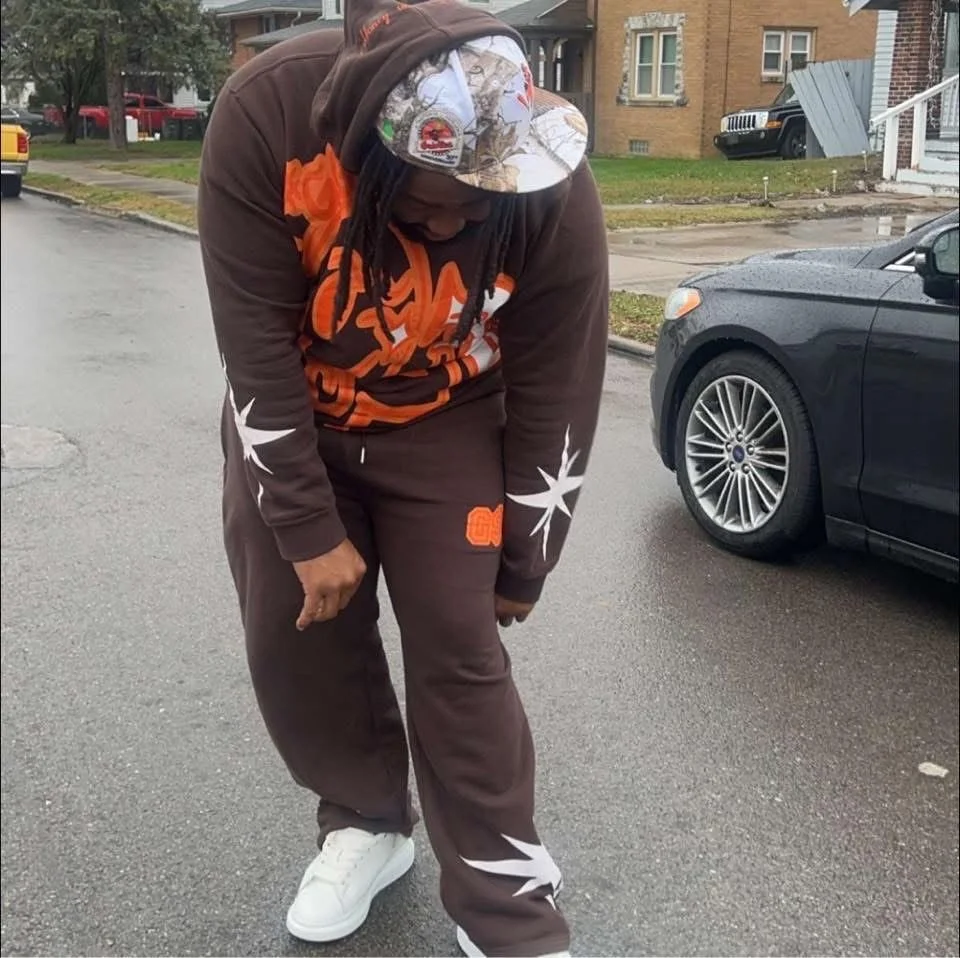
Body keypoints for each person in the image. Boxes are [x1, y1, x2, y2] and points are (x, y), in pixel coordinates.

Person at [197, 0, 608, 954]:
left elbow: (560, 377)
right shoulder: (267, 113)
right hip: (294, 407)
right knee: (297, 635)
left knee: (461, 644)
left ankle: (505, 893)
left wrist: (526, 557)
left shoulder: (547, 179)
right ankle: (366, 824)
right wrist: (304, 526)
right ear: (370, 151)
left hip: (449, 416)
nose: (460, 213)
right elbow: (251, 340)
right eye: (433, 190)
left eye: (480, 196)